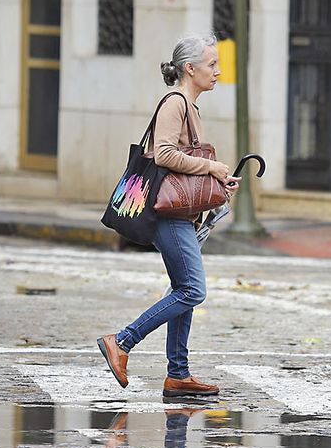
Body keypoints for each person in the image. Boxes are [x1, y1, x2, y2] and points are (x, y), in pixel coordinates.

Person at [97, 35, 238, 398]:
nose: (217, 71)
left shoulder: (191, 107)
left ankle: (178, 374)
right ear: (190, 69)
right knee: (193, 289)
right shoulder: (175, 104)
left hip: (179, 213)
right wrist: (211, 166)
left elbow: (183, 168)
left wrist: (215, 180)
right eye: (211, 64)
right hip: (166, 216)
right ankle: (122, 341)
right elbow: (162, 155)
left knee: (183, 289)